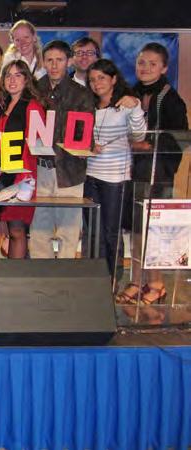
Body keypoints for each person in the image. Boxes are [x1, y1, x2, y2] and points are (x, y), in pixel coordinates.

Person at [117, 43, 188, 305]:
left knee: (153, 230)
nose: (145, 68)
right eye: (141, 63)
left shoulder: (171, 99)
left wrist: (147, 144)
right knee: (136, 231)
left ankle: (156, 283)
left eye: (152, 63)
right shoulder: (130, 93)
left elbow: (178, 138)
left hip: (157, 174)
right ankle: (137, 280)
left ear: (164, 68)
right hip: (133, 173)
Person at [31, 40, 95, 259]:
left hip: (70, 169)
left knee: (69, 230)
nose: (54, 65)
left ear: (69, 62)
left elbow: (84, 134)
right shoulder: (35, 90)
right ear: (43, 62)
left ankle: (66, 273)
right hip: (41, 168)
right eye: (49, 60)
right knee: (39, 229)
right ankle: (42, 273)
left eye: (59, 60)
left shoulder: (82, 94)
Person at [84, 59, 146, 279]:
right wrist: (88, 146)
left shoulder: (126, 104)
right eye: (92, 79)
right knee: (94, 233)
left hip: (115, 178)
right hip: (90, 176)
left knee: (111, 232)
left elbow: (139, 135)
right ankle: (96, 279)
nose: (96, 83)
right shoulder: (89, 106)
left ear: (114, 79)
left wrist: (136, 108)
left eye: (101, 77)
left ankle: (111, 281)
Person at [0, 60, 44, 259]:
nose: (12, 80)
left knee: (17, 230)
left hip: (21, 177)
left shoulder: (32, 106)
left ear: (26, 79)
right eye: (8, 75)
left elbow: (37, 144)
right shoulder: (3, 106)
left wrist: (19, 180)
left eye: (18, 75)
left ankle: (15, 274)